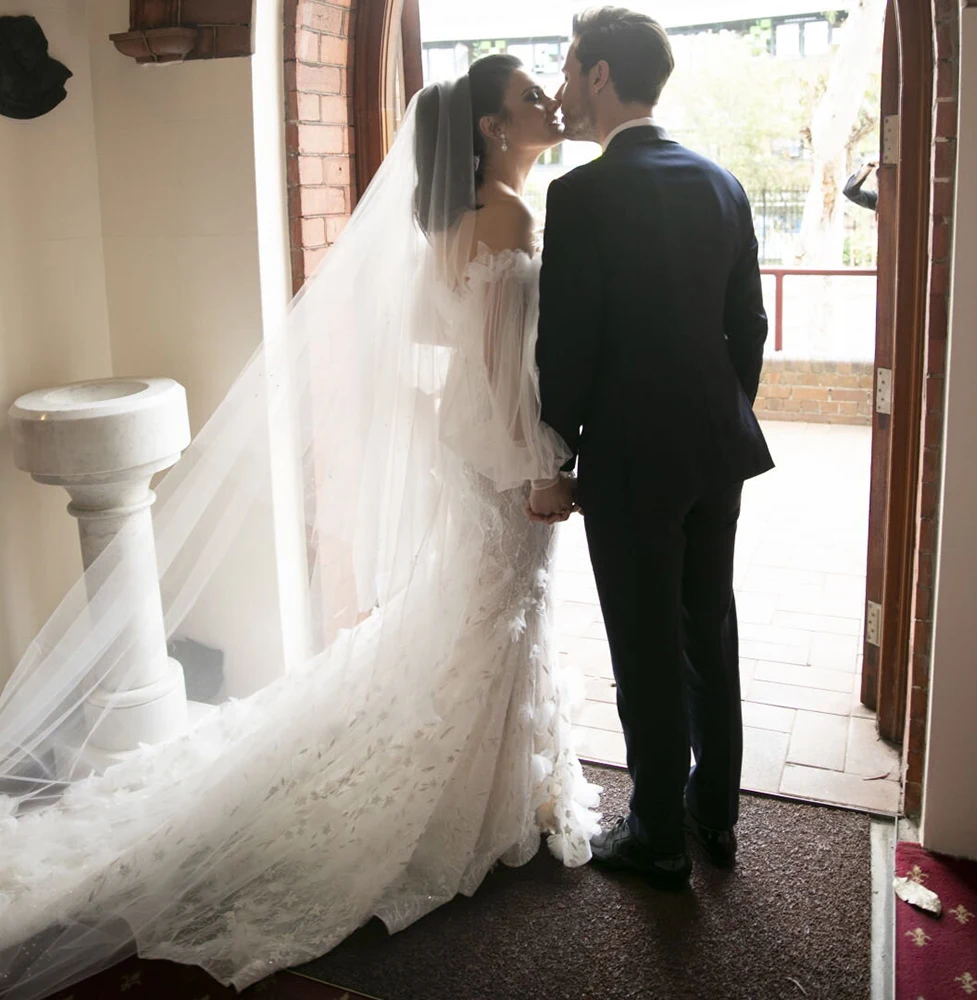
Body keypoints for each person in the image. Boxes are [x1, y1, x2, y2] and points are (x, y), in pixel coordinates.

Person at [0, 56, 598, 999]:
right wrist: (537, 474)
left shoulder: (453, 220)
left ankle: (503, 784)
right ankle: (474, 799)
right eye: (531, 95)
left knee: (476, 617)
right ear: (489, 127)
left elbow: (437, 340)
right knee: (497, 614)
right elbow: (494, 365)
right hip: (499, 457)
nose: (549, 103)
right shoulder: (511, 216)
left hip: (468, 444)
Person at [529, 7, 774, 887]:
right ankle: (718, 815)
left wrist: (562, 447)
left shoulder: (581, 195)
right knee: (709, 628)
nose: (560, 87)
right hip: (717, 448)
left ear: (599, 75)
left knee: (643, 643)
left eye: (566, 68)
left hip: (631, 456)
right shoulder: (723, 183)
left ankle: (660, 836)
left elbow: (568, 347)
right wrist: (718, 409)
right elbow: (749, 326)